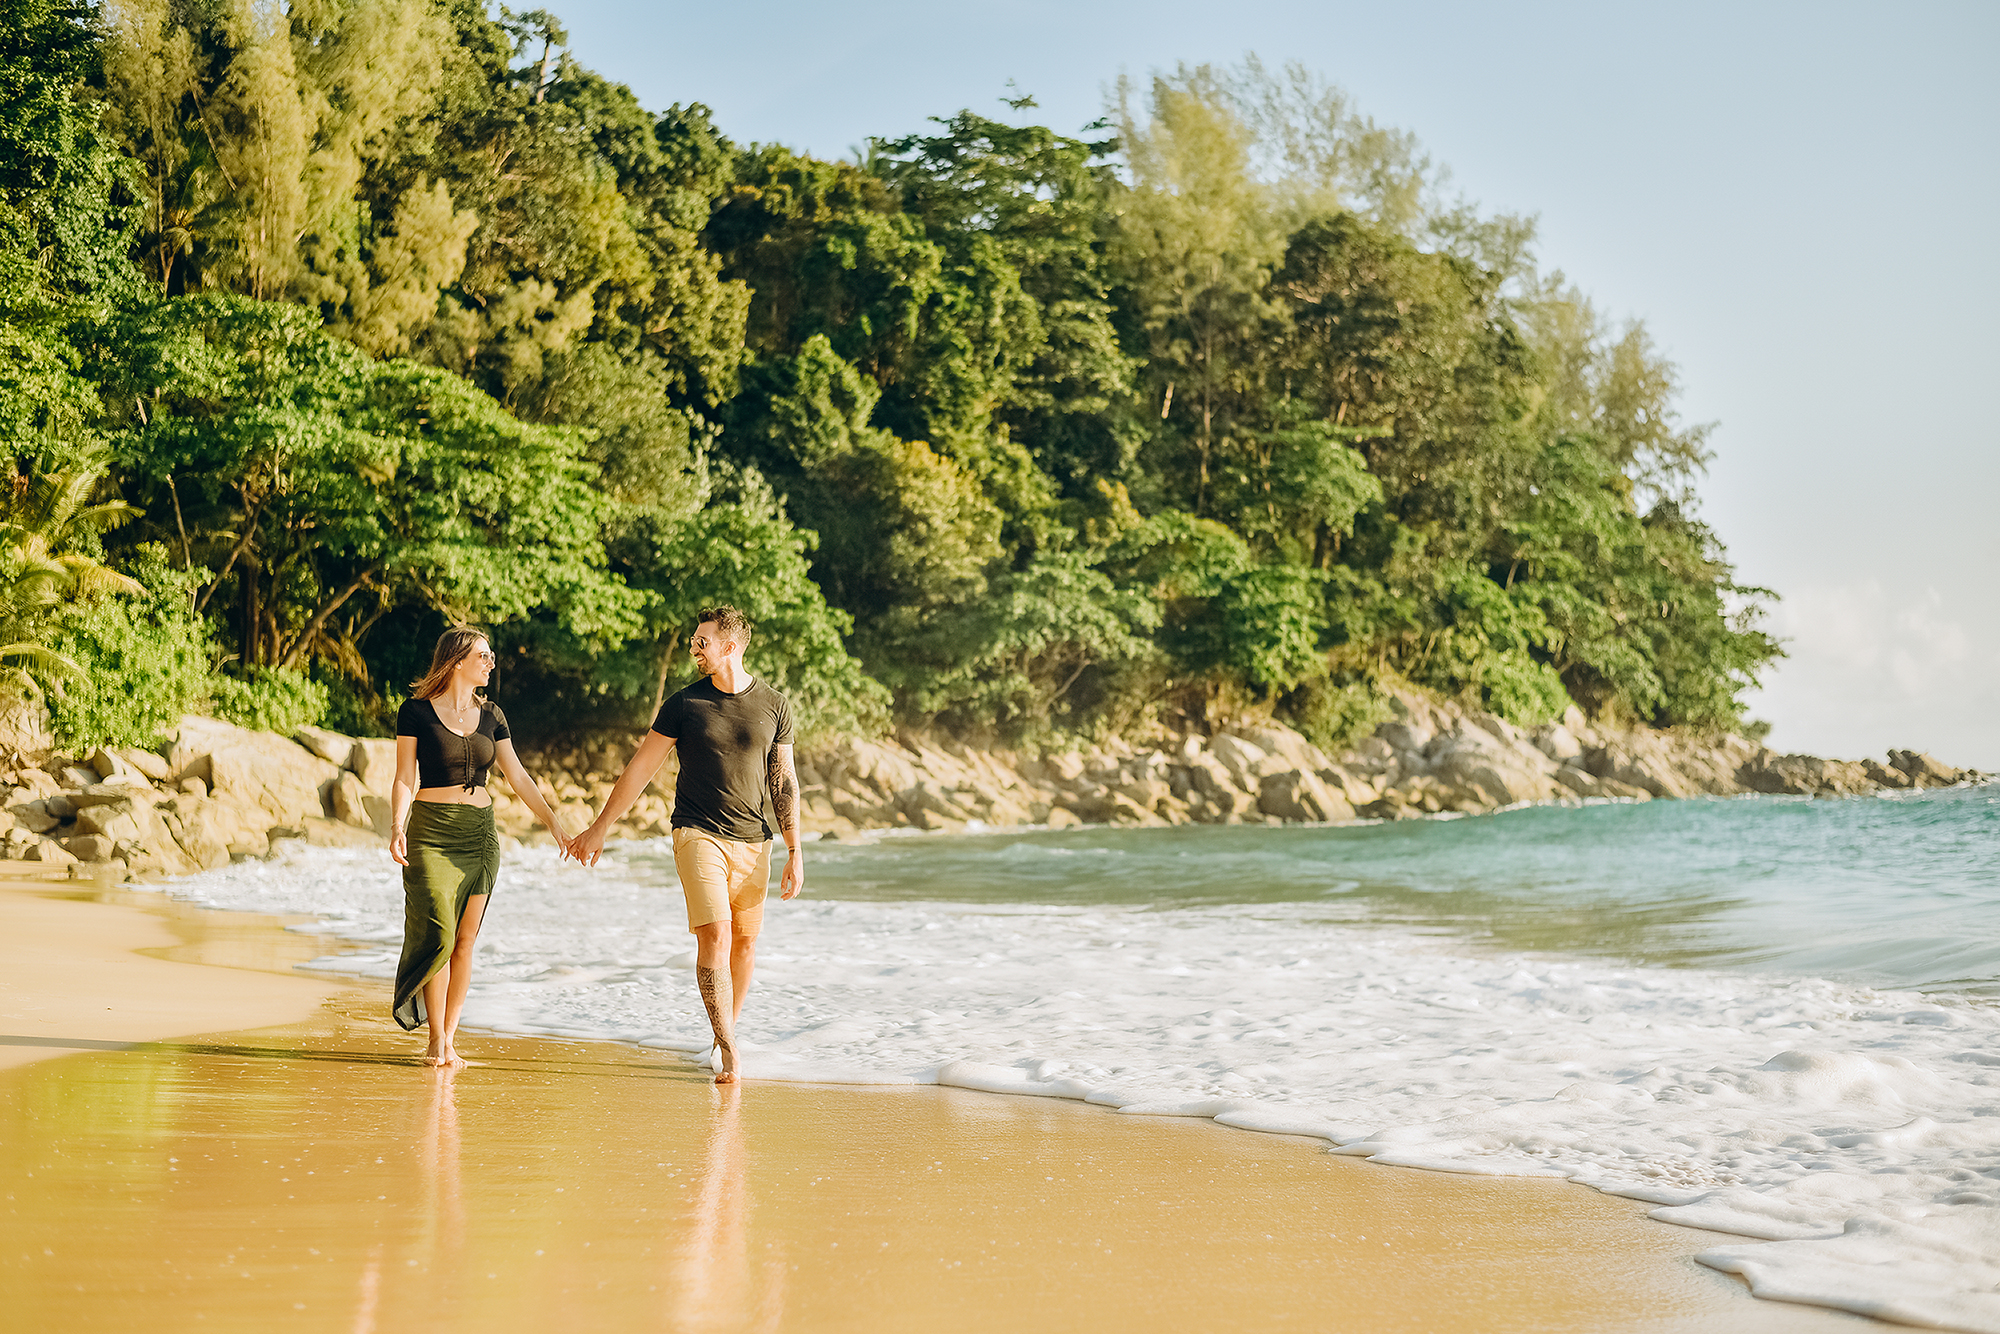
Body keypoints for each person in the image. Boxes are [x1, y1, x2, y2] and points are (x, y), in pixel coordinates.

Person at [568, 606, 804, 1084]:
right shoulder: (684, 705)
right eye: (695, 640)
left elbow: (784, 783)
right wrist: (601, 826)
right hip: (696, 832)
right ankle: (730, 1048)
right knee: (714, 933)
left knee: (745, 944)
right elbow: (640, 769)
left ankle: (725, 1031)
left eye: (703, 641)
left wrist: (795, 851)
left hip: (755, 841)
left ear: (731, 647)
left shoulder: (774, 706)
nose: (695, 648)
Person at [390, 626, 575, 1067]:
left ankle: (448, 1037)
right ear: (457, 661)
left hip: (480, 835)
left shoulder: (493, 715)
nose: (491, 662)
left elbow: (518, 775)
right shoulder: (414, 712)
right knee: (438, 934)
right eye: (483, 655)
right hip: (432, 832)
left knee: (465, 941)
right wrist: (397, 825)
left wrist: (554, 823)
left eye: (491, 656)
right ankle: (436, 1038)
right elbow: (403, 777)